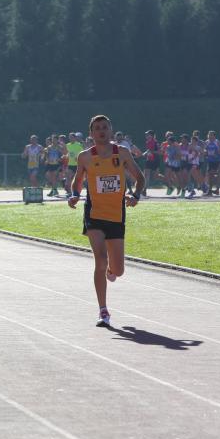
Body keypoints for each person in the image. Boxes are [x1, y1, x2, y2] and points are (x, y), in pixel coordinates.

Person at [68, 115, 145, 328]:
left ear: (110, 130)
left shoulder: (122, 153)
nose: (101, 131)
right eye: (97, 128)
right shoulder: (85, 157)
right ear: (91, 134)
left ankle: (112, 271)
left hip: (116, 215)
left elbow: (140, 178)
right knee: (100, 260)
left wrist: (136, 196)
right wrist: (75, 193)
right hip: (94, 214)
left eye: (105, 127)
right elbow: (78, 179)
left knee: (117, 270)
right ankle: (103, 311)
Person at [142, 130, 162, 197]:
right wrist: (145, 153)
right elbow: (149, 150)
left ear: (151, 135)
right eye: (146, 134)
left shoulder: (155, 142)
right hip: (149, 160)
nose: (146, 136)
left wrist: (152, 152)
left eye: (148, 134)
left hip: (155, 160)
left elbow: (160, 152)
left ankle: (168, 182)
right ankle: (144, 190)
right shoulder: (147, 142)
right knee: (145, 175)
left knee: (156, 177)